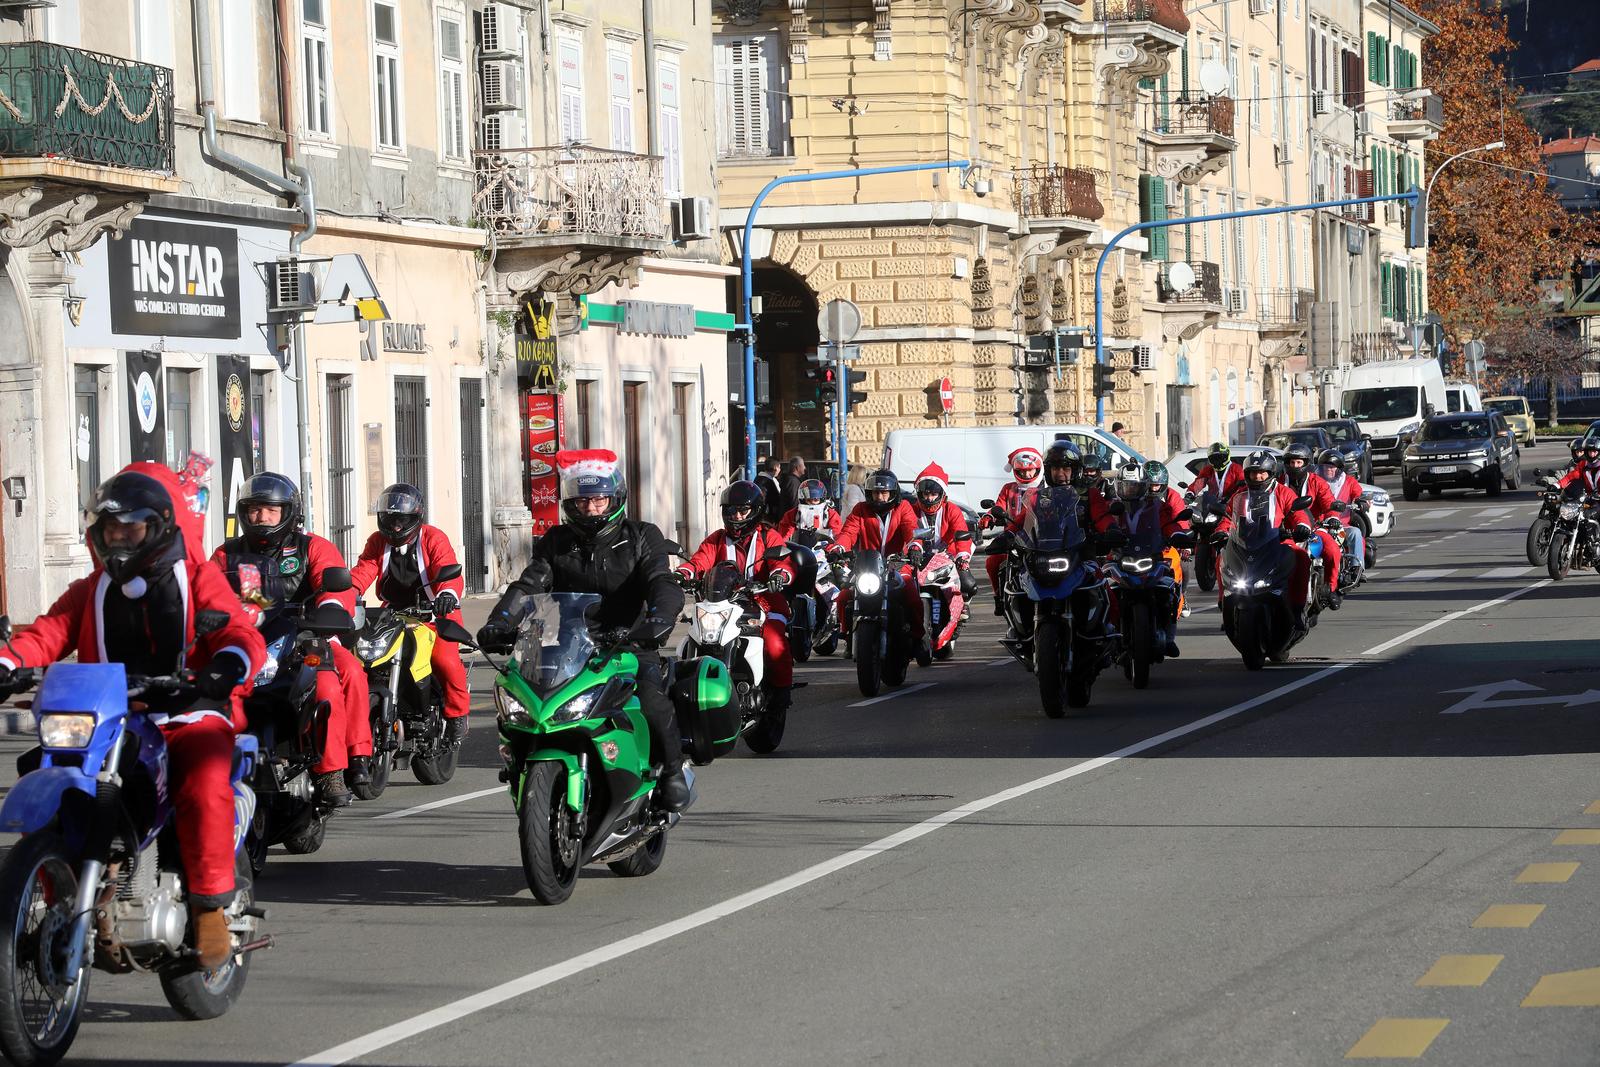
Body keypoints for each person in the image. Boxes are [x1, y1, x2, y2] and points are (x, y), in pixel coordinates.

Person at [0, 471, 265, 969]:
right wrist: (8, 662)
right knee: (45, 767)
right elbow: (46, 633)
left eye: (131, 530)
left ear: (159, 527)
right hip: (108, 717)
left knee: (205, 779)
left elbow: (238, 631)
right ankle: (52, 881)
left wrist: (225, 664)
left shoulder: (198, 577)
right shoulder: (90, 590)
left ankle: (209, 908)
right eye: (110, 531)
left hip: (185, 712)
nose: (118, 540)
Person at [476, 450, 691, 809]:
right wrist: (500, 621)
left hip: (628, 643)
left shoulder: (641, 536)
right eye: (580, 502)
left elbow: (661, 581)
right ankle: (520, 765)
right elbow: (529, 585)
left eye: (598, 500)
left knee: (653, 701)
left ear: (615, 499)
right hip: (569, 645)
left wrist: (659, 619)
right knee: (521, 701)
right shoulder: (557, 541)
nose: (590, 509)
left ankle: (671, 772)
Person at [212, 472, 367, 806]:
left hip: (307, 638)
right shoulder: (228, 554)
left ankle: (337, 769)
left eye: (271, 510)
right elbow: (206, 593)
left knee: (339, 677)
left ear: (289, 512)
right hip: (248, 643)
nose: (262, 517)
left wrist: (327, 612)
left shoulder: (313, 548)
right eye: (254, 509)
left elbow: (334, 590)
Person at [350, 483, 471, 747]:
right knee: (360, 657)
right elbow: (362, 571)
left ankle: (456, 715)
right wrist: (343, 595)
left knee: (445, 661)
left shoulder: (433, 538)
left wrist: (447, 594)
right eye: (390, 519)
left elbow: (448, 567)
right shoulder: (377, 541)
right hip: (392, 614)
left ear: (415, 519)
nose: (395, 526)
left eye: (401, 520)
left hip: (435, 613)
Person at [675, 480, 795, 714]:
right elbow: (700, 560)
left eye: (743, 510)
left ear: (756, 511)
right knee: (694, 638)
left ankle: (781, 695)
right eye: (731, 511)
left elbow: (783, 562)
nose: (737, 516)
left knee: (774, 644)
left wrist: (780, 575)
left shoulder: (768, 536)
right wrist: (683, 573)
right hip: (720, 603)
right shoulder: (717, 539)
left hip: (762, 602)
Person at [1212, 450, 1314, 630]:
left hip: (1278, 541)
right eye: (1253, 472)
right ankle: (1224, 603)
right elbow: (1227, 517)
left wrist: (1302, 527)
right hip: (1246, 544)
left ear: (1270, 473)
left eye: (1262, 472)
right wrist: (1221, 532)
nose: (1258, 476)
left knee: (1301, 558)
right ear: (1247, 474)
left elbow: (1298, 513)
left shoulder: (1283, 492)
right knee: (1221, 558)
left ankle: (1297, 609)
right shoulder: (1239, 495)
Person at [1097, 461, 1190, 656]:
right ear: (1119, 486)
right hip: (1119, 558)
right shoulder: (1112, 508)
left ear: (1144, 486)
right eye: (1127, 485)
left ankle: (1169, 636)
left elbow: (1169, 524)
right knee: (1101, 591)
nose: (1131, 490)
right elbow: (1101, 524)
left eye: (1136, 486)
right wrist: (1101, 538)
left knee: (1169, 589)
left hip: (1150, 557)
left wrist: (1177, 534)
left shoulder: (1156, 507)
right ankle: (1106, 634)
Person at [830, 469, 924, 642]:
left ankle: (919, 638)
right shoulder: (860, 509)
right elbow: (848, 532)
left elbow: (911, 529)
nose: (879, 497)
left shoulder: (903, 508)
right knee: (844, 596)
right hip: (867, 565)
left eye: (884, 492)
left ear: (892, 493)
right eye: (875, 492)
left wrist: (915, 546)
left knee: (911, 595)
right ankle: (848, 634)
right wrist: (838, 548)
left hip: (896, 564)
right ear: (869, 493)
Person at [978, 447, 1043, 616]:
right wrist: (988, 518)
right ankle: (998, 597)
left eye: (1031, 471)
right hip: (1011, 538)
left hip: (1039, 540)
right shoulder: (1009, 488)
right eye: (1023, 471)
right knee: (992, 562)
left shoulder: (1044, 489)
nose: (1028, 475)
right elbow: (998, 505)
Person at [908, 462, 976, 619]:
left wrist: (962, 559)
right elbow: (907, 532)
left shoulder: (952, 509)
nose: (929, 498)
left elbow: (962, 534)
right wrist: (913, 549)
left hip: (947, 556)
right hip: (918, 557)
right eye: (925, 494)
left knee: (968, 584)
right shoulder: (911, 509)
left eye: (933, 494)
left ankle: (963, 605)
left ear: (942, 494)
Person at [1281, 442, 1343, 607]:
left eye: (1299, 462)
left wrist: (1332, 517)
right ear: (1286, 464)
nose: (1295, 466)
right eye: (1291, 462)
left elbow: (1329, 502)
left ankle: (1331, 589)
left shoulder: (1317, 482)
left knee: (1332, 551)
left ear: (1306, 464)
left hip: (1314, 529)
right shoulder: (1278, 482)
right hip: (1283, 530)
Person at [1318, 449, 1367, 585]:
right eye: (1325, 467)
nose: (1329, 470)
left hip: (1341, 525)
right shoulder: (1315, 481)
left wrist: (1360, 501)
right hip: (1319, 525)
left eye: (1332, 467)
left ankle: (1356, 568)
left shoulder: (1349, 481)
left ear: (1339, 469)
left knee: (1356, 533)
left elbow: (1358, 494)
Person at [776, 478, 844, 540]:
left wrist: (829, 549)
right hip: (799, 549)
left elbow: (837, 535)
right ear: (803, 499)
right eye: (809, 500)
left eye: (815, 500)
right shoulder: (792, 514)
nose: (812, 503)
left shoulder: (830, 514)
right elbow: (783, 537)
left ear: (822, 499)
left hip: (823, 550)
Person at [755, 457, 784, 523]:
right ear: (775, 468)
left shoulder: (759, 478)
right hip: (767, 519)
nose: (780, 470)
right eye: (779, 467)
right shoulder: (766, 482)